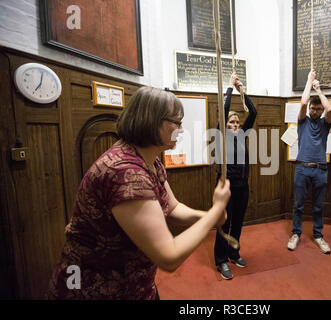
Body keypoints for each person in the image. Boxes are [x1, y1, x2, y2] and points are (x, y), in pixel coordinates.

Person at [47, 87, 230, 299]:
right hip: (95, 289)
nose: (181, 129)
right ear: (152, 121)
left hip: (135, 285)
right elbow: (168, 256)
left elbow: (172, 208)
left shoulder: (150, 161)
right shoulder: (125, 172)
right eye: (177, 122)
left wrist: (208, 217)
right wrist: (216, 211)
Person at [214, 72, 257, 280]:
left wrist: (243, 92)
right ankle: (221, 260)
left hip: (242, 186)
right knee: (225, 222)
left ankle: (233, 253)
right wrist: (230, 87)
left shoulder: (242, 135)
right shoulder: (220, 134)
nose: (234, 125)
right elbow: (223, 111)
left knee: (238, 221)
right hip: (226, 186)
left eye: (237, 122)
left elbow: (254, 112)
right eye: (231, 122)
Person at [287, 69, 331, 253]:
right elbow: (304, 101)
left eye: (317, 109)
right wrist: (309, 80)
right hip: (302, 168)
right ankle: (296, 233)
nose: (315, 111)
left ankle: (318, 235)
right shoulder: (303, 121)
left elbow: (330, 109)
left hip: (320, 169)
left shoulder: (325, 123)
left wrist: (319, 90)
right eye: (313, 109)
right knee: (298, 204)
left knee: (318, 205)